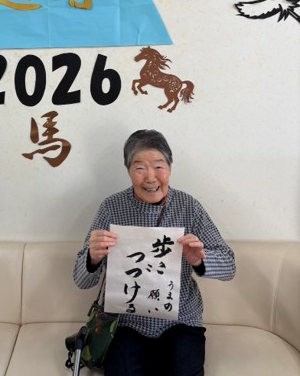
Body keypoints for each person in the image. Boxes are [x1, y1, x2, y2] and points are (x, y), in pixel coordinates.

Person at [73, 129, 236, 376]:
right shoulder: (111, 207)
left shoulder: (188, 207)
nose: (151, 177)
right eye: (139, 168)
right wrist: (93, 258)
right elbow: (81, 280)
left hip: (180, 321)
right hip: (125, 323)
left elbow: (229, 266)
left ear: (170, 167)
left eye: (159, 166)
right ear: (128, 170)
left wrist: (200, 260)